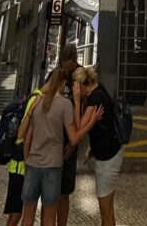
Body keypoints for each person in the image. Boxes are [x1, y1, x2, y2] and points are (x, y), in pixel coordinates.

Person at [17, 68, 103, 226]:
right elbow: (74, 138)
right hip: (53, 166)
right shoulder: (65, 105)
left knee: (27, 217)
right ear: (63, 84)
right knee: (49, 218)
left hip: (33, 165)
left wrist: (28, 159)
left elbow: (25, 137)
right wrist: (92, 121)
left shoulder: (37, 102)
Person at [73, 67, 124, 226]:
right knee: (107, 208)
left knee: (105, 209)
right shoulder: (100, 89)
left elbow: (79, 127)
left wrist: (76, 101)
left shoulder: (95, 98)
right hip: (111, 152)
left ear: (81, 85)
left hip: (107, 158)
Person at [0, 88, 41, 226]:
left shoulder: (33, 97)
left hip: (18, 165)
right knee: (16, 213)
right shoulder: (36, 99)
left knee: (16, 212)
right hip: (19, 166)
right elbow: (22, 134)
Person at [57, 44, 81, 226]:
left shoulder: (81, 77)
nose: (65, 68)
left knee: (64, 190)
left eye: (67, 64)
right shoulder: (57, 75)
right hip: (53, 140)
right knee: (50, 190)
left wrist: (73, 143)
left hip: (70, 140)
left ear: (74, 61)